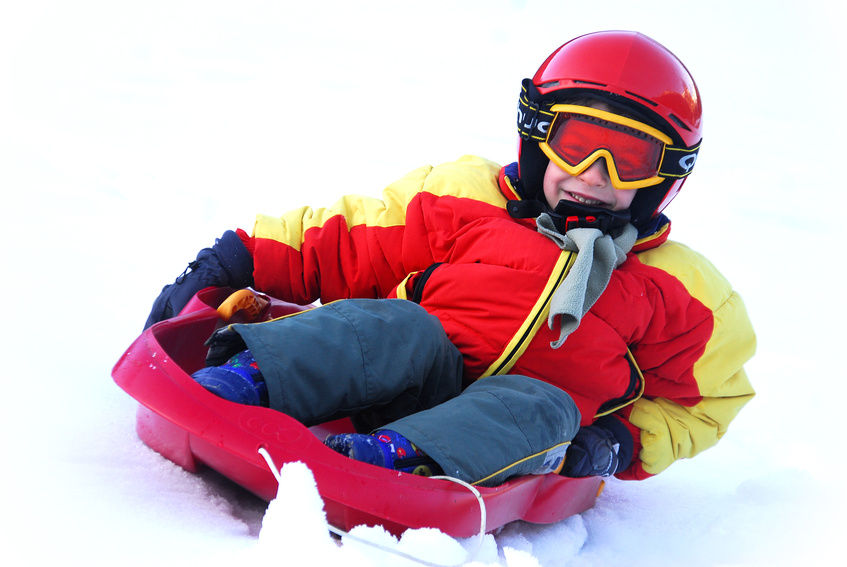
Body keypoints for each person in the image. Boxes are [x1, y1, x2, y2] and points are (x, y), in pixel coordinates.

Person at [144, 31, 756, 486]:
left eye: (628, 159)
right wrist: (233, 259)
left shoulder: (683, 292)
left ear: (662, 177)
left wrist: (619, 443)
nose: (593, 175)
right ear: (539, 135)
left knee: (548, 404)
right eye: (575, 145)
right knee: (403, 324)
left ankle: (394, 460)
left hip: (494, 445)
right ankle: (247, 380)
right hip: (382, 383)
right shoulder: (468, 198)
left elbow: (704, 401)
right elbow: (349, 240)